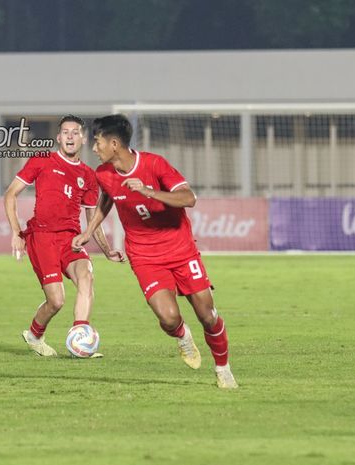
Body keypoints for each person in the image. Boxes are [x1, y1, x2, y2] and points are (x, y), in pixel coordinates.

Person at [72, 114, 237, 388]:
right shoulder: (104, 174)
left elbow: (189, 198)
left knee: (207, 315)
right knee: (169, 317)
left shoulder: (154, 164)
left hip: (181, 249)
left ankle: (223, 369)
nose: (93, 148)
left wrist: (149, 191)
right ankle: (183, 337)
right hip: (144, 255)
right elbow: (107, 199)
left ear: (114, 144)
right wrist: (88, 232)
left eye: (97, 142)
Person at [4, 115, 124, 357]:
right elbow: (10, 195)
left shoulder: (89, 176)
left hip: (71, 239)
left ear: (82, 138)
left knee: (87, 278)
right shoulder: (42, 161)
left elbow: (93, 220)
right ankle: (35, 335)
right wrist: (16, 232)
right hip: (42, 237)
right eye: (65, 132)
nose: (70, 136)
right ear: (59, 138)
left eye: (75, 132)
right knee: (56, 301)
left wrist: (107, 249)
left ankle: (81, 340)